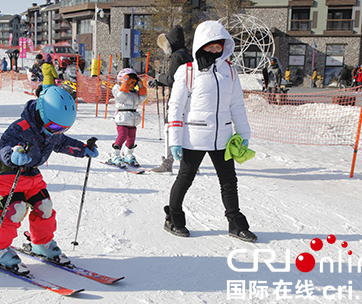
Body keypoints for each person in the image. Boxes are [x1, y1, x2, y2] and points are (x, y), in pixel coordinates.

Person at [0, 86, 99, 273]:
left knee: (44, 206)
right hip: (8, 174)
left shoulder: (52, 131)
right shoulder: (20, 127)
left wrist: (83, 149)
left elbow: (62, 143)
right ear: (42, 113)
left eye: (62, 129)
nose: (56, 132)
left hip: (31, 175)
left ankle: (41, 243)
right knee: (15, 209)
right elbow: (3, 147)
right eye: (55, 127)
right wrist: (12, 155)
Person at [165, 20, 257, 242]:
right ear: (201, 45)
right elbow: (176, 107)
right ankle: (173, 219)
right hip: (194, 138)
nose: (215, 50)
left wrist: (244, 134)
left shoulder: (230, 72)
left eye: (219, 45)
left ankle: (236, 224)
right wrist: (175, 140)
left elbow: (237, 106)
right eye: (211, 46)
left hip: (223, 138)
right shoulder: (187, 72)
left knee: (229, 181)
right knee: (185, 178)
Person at [149, 25, 193, 175]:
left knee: (170, 129)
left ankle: (168, 163)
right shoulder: (188, 54)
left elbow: (173, 79)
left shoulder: (176, 57)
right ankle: (191, 164)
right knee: (185, 131)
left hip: (177, 99)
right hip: (190, 99)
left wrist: (158, 78)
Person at [106, 68, 148, 167]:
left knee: (132, 138)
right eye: (130, 80)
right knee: (122, 135)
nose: (132, 83)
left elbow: (141, 99)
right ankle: (115, 155)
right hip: (122, 117)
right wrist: (125, 85)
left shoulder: (134, 92)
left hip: (132, 118)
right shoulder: (117, 88)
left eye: (134, 81)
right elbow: (120, 98)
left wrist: (141, 87)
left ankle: (128, 155)